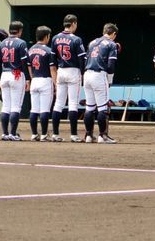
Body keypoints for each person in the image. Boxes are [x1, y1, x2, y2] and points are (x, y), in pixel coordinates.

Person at [50, 14, 86, 142]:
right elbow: (82, 59)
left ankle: (55, 134)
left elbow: (52, 61)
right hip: (73, 71)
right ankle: (74, 135)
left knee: (58, 103)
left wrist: (55, 77)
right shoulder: (76, 39)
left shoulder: (55, 38)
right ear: (73, 23)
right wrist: (83, 73)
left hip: (61, 70)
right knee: (72, 104)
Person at [82, 23, 119, 144]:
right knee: (103, 107)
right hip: (99, 74)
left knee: (89, 107)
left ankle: (88, 135)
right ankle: (102, 136)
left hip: (87, 74)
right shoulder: (111, 44)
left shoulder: (92, 42)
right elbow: (111, 65)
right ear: (113, 34)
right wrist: (110, 80)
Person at [0, 21, 30, 141]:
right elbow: (24, 62)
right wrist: (28, 78)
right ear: (19, 30)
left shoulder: (2, 43)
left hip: (4, 74)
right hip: (16, 74)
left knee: (6, 106)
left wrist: (0, 79)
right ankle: (13, 133)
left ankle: (5, 133)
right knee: (16, 107)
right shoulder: (21, 42)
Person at [27, 26, 57, 142]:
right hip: (46, 80)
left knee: (34, 109)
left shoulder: (30, 50)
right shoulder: (49, 51)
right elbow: (52, 69)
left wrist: (32, 78)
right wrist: (55, 84)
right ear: (47, 36)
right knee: (44, 109)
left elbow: (29, 67)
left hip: (35, 80)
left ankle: (34, 134)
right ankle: (44, 135)